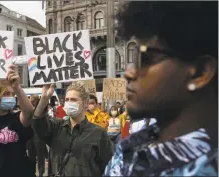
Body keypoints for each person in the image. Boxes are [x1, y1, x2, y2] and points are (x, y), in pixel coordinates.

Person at [104, 1, 218, 176]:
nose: (129, 73)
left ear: (200, 73)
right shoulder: (128, 149)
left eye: (147, 58)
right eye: (133, 59)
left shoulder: (208, 167)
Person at [32, 83, 113, 176]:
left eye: (73, 100)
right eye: (67, 100)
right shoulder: (56, 127)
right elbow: (37, 123)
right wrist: (44, 99)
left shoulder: (99, 133)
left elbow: (109, 167)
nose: (69, 102)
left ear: (85, 103)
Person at [27, 94, 47, 177]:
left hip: (38, 135)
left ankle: (41, 173)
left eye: (33, 101)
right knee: (31, 156)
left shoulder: (41, 110)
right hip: (30, 135)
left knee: (40, 155)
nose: (31, 103)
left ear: (37, 101)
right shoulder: (28, 109)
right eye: (30, 101)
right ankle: (32, 172)